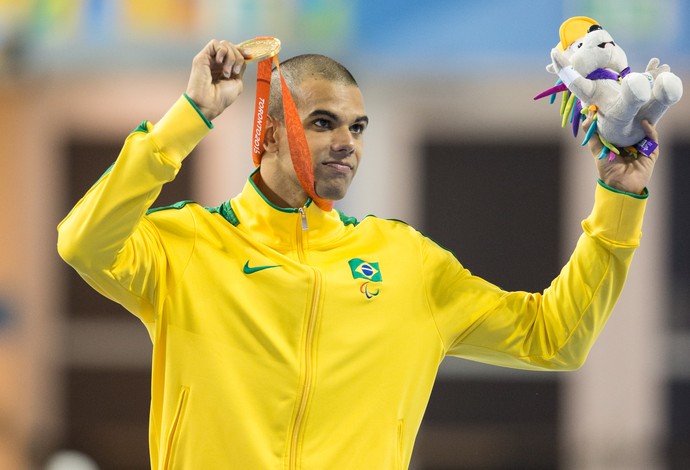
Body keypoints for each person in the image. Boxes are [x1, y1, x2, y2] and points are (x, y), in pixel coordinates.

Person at [57, 39, 657, 469]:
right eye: (324, 122)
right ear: (266, 132)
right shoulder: (188, 246)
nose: (347, 143)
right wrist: (186, 121)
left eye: (359, 127)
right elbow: (83, 241)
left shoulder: (404, 263)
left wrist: (620, 201)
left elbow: (556, 338)